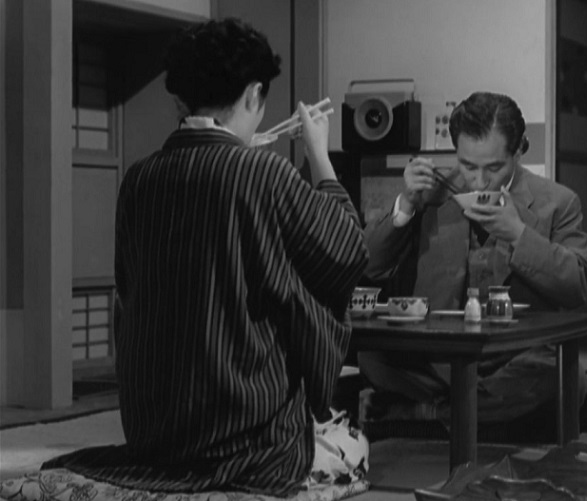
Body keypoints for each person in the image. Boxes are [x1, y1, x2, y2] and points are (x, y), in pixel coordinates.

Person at [43, 18, 369, 497]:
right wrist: (318, 154)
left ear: (180, 102)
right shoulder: (263, 171)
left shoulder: (139, 179)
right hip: (248, 440)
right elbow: (348, 250)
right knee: (353, 446)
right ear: (254, 95)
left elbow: (128, 296)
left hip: (156, 435)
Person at [358, 91, 587, 441]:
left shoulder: (557, 203)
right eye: (468, 166)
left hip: (514, 357)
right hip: (440, 357)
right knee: (371, 354)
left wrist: (519, 233)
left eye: (493, 167)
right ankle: (471, 416)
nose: (478, 181)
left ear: (518, 151)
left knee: (562, 375)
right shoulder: (433, 193)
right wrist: (406, 206)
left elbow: (580, 284)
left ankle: (423, 415)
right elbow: (369, 265)